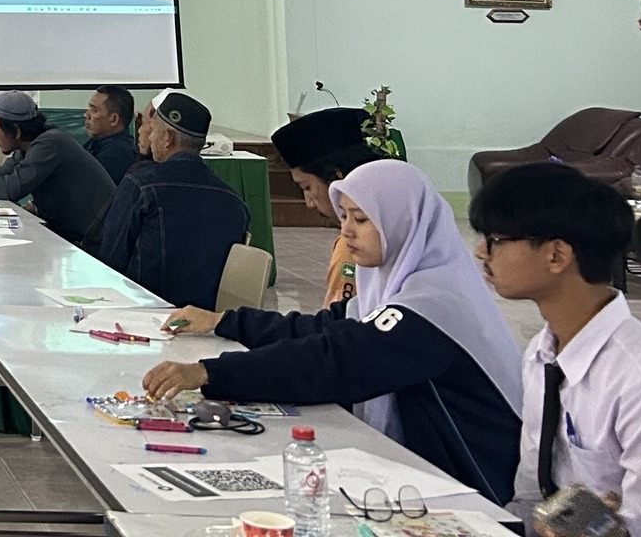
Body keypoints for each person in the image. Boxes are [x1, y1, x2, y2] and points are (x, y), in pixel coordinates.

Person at [143, 159, 522, 505]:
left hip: (478, 488)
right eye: (344, 217)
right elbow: (325, 328)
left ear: (402, 221)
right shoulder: (397, 285)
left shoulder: (434, 303)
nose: (347, 231)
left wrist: (210, 372)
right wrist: (224, 321)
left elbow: (336, 361)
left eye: (361, 219)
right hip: (429, 468)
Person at [470, 163, 641, 536]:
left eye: (496, 239)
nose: (481, 251)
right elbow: (530, 498)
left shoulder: (635, 376)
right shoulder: (542, 353)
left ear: (556, 256)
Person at [91, 90, 250, 308]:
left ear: (168, 138)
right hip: (206, 319)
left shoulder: (140, 185)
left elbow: (111, 260)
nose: (150, 137)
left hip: (146, 313)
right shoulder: (235, 202)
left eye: (154, 131)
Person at [271, 107, 384, 308]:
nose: (309, 202)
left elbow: (337, 323)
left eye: (307, 188)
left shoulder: (354, 245)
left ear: (336, 179)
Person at [0, 91, 116, 243]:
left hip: (93, 242)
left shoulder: (49, 144)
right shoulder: (32, 144)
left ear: (16, 131)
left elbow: (10, 188)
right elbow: (2, 172)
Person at [82, 86, 140, 183]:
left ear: (114, 119)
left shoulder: (118, 154)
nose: (86, 115)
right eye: (89, 108)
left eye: (94, 110)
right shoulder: (99, 141)